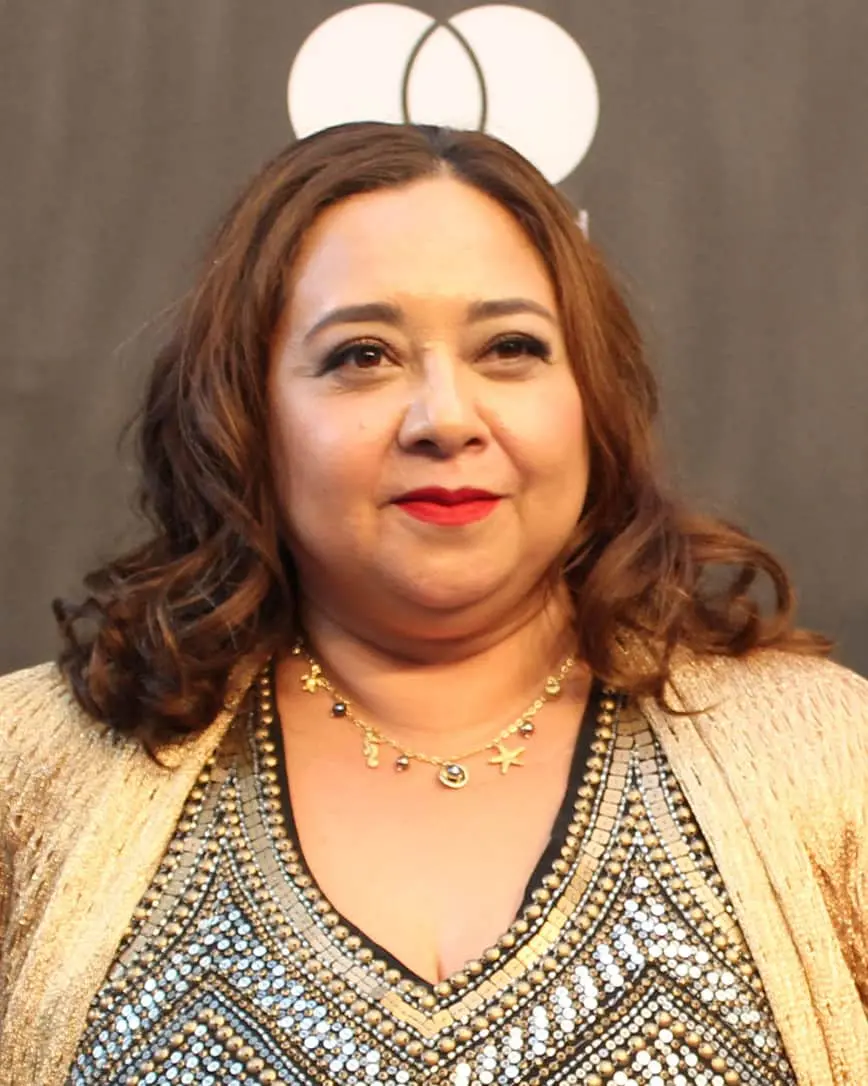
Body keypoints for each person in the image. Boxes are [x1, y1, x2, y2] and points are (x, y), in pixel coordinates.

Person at [0, 121, 865, 1086]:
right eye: (362, 356)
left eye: (510, 347)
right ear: (245, 413)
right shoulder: (29, 773)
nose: (445, 418)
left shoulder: (830, 761)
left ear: (592, 401)